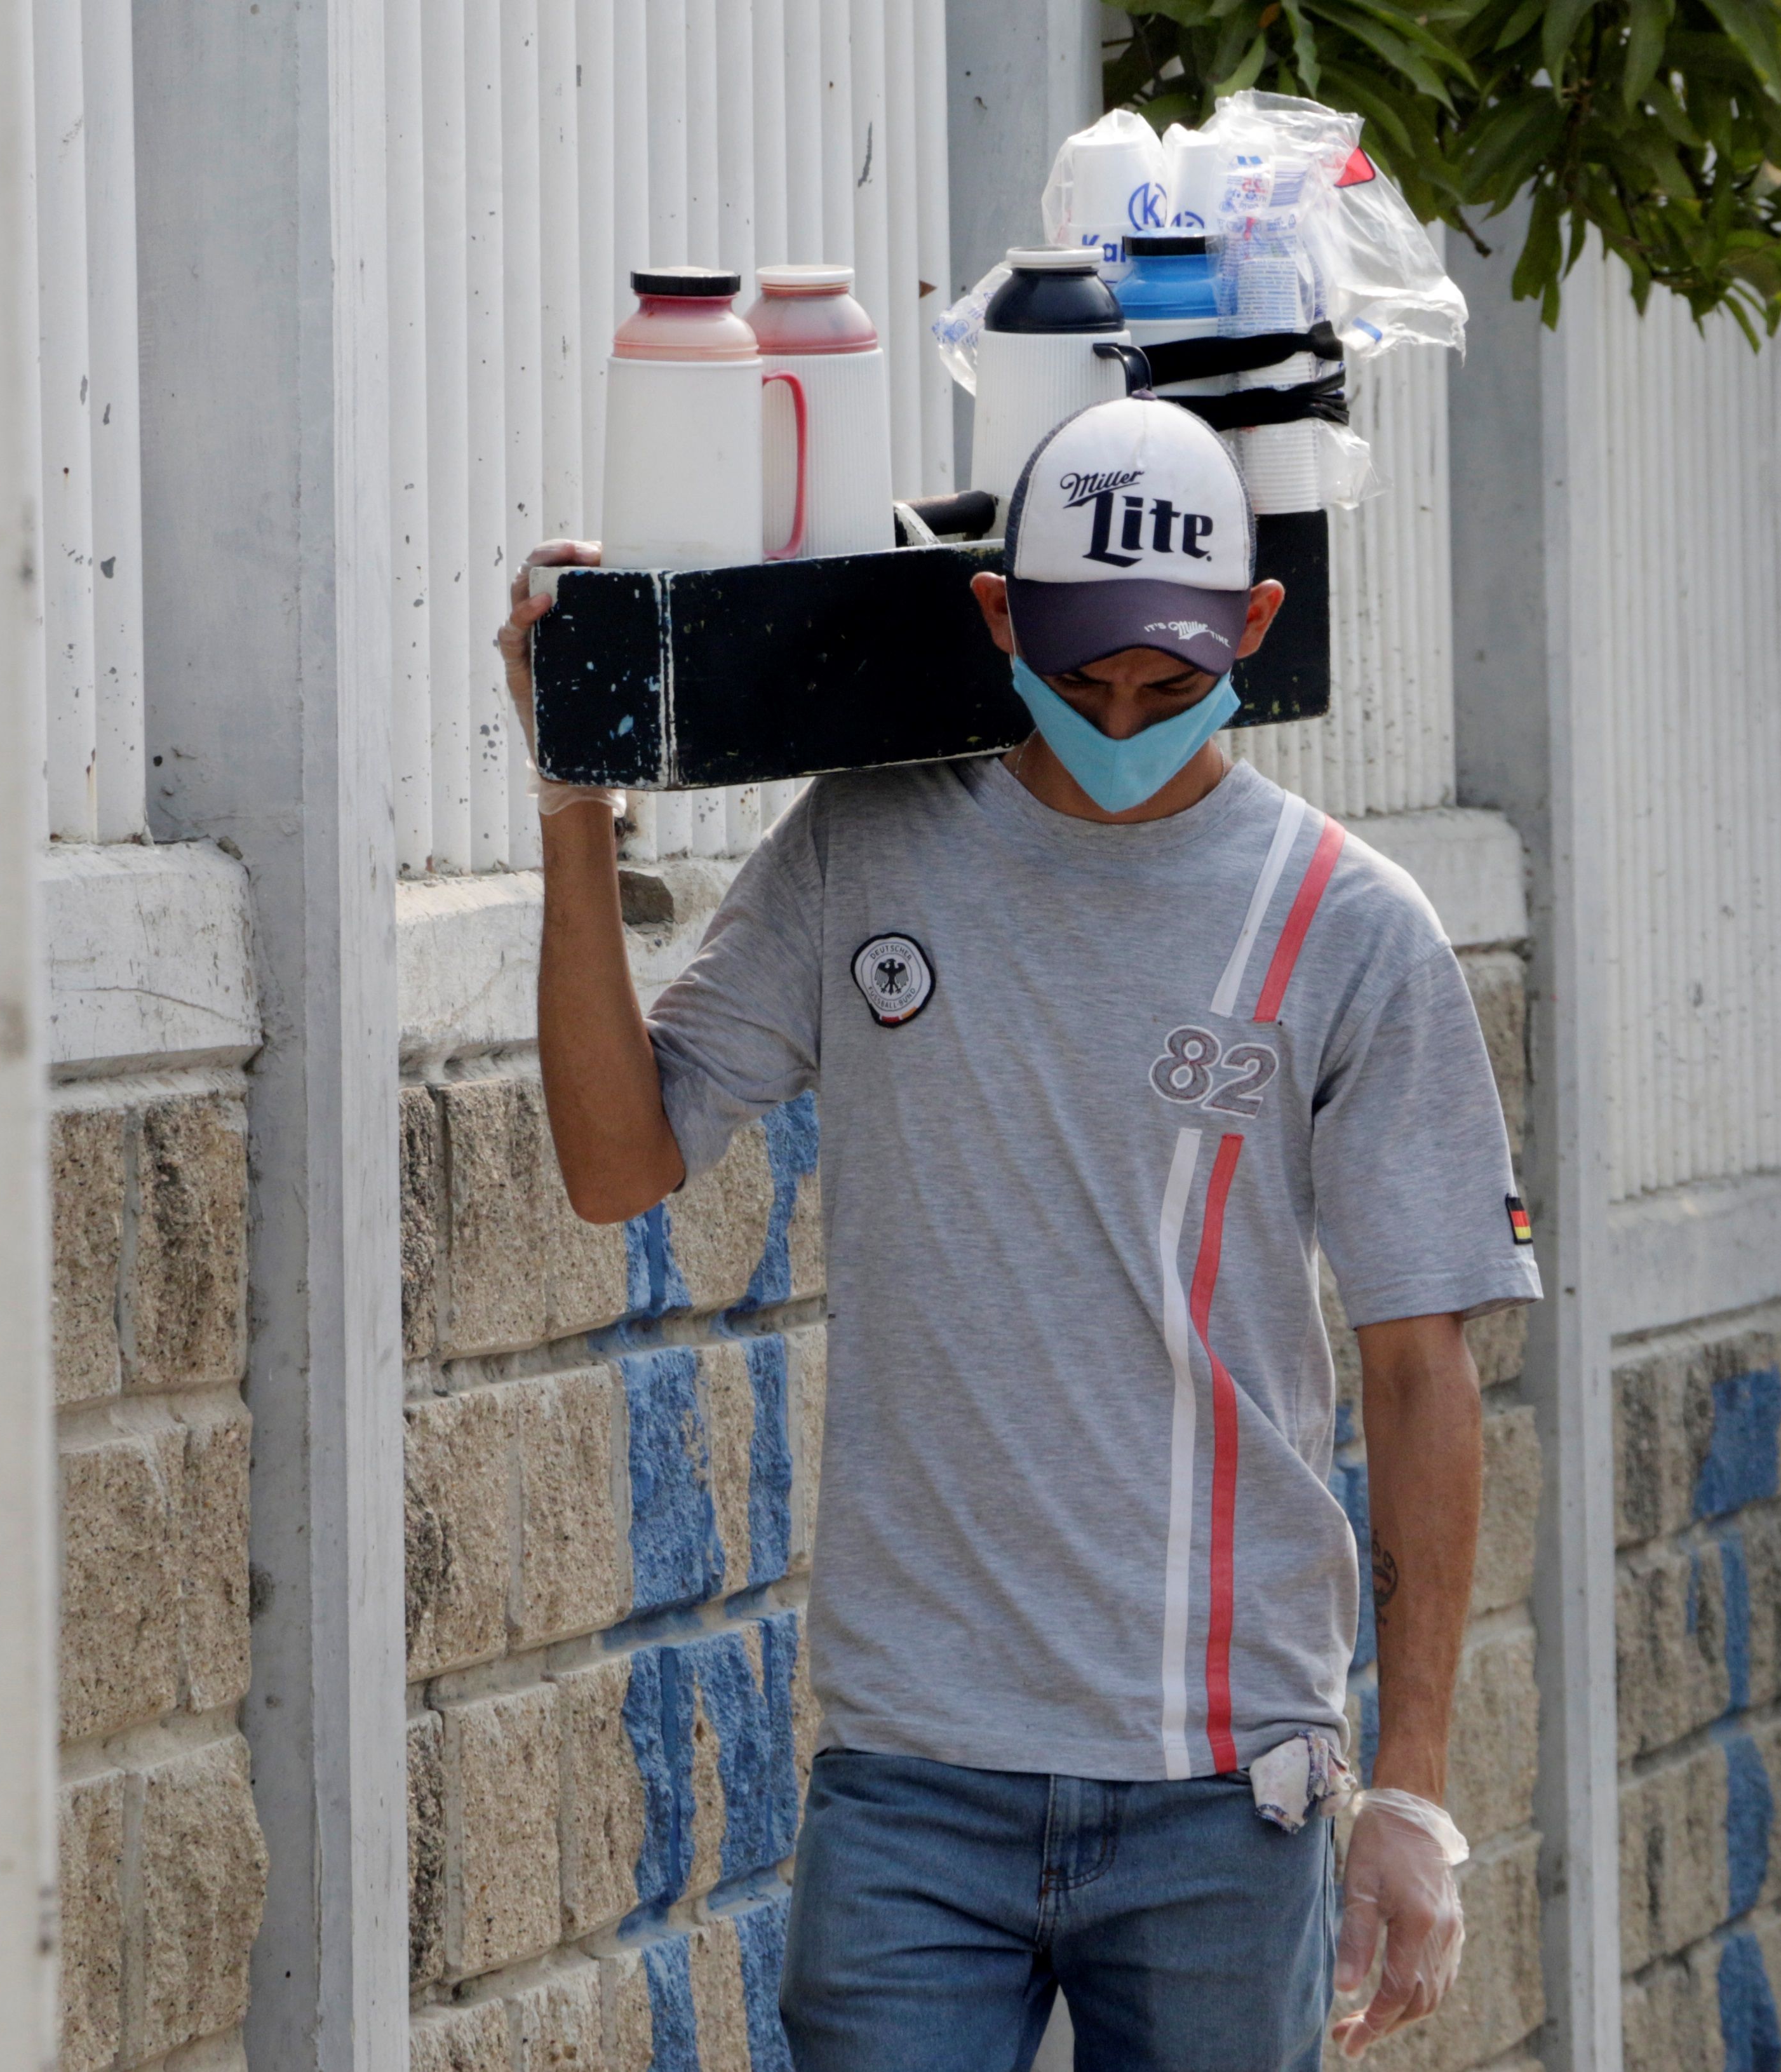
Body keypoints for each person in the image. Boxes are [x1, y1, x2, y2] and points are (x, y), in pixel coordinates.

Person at [499, 396, 1538, 2069]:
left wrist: (1410, 1791)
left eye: (1169, 681)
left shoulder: (1345, 926)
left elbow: (1422, 1366)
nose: (1120, 713)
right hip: (914, 1778)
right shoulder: (867, 847)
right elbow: (618, 1165)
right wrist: (570, 805)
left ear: (1253, 630)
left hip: (1225, 1788)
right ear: (998, 619)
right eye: (1080, 675)